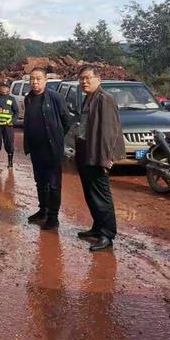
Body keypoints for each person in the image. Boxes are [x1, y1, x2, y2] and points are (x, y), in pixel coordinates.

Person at [75, 65, 125, 251]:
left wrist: (106, 159)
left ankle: (107, 235)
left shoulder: (105, 99)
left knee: (101, 196)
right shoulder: (89, 98)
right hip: (86, 153)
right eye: (81, 79)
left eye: (88, 78)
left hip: (98, 156)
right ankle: (97, 227)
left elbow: (109, 133)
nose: (84, 81)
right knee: (90, 194)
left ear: (98, 79)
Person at [24, 68, 72, 229]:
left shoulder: (55, 97)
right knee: (40, 182)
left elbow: (67, 120)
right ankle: (43, 210)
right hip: (36, 149)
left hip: (52, 149)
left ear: (45, 80)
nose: (34, 82)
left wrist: (57, 137)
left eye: (38, 79)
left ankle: (53, 216)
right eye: (32, 79)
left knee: (53, 184)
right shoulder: (28, 98)